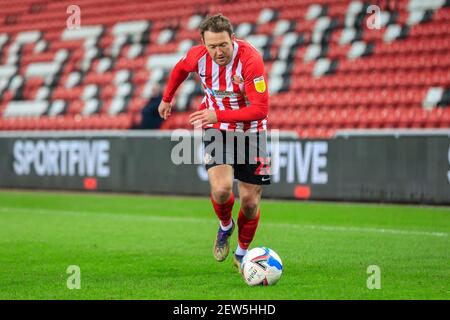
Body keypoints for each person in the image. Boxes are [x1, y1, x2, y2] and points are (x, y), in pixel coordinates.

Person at [158, 14, 270, 270]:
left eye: (223, 45)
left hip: (253, 133)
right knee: (221, 190)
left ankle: (242, 253)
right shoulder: (197, 56)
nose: (218, 52)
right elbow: (180, 69)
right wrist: (167, 98)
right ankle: (225, 226)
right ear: (203, 44)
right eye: (212, 47)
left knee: (251, 203)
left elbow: (260, 110)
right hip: (217, 129)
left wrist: (216, 113)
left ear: (233, 39)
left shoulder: (251, 60)